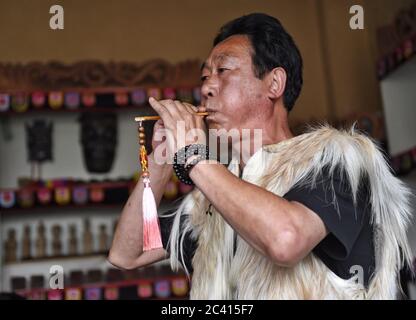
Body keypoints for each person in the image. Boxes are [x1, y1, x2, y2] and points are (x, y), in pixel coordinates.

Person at [109, 13, 413, 299]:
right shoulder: (208, 199)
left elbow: (285, 240)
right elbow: (127, 253)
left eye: (223, 71)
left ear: (274, 84)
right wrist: (162, 161)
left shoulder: (338, 159)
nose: (207, 87)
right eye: (204, 77)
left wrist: (192, 158)